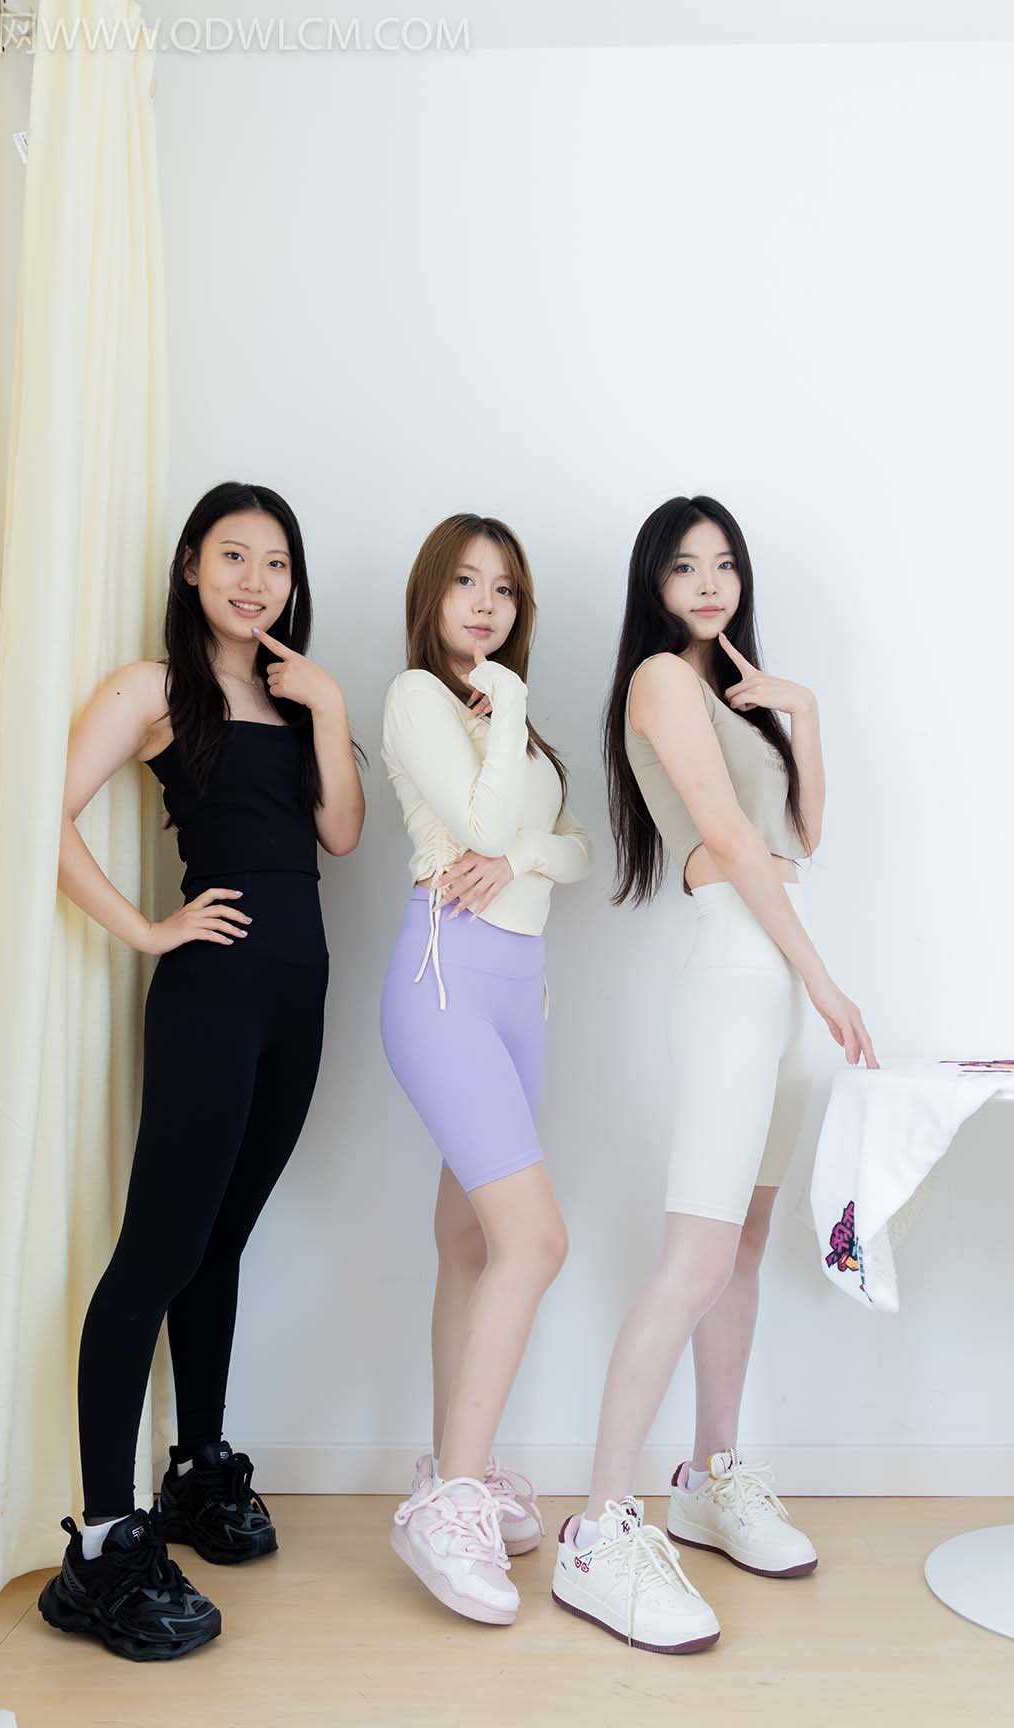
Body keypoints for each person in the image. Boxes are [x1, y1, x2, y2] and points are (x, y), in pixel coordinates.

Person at [38, 481, 364, 1660]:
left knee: (221, 1241)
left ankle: (198, 1468)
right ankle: (102, 1546)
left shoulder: (298, 690)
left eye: (276, 561)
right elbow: (41, 811)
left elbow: (341, 834)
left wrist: (330, 705)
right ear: (190, 565)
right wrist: (145, 927)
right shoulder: (152, 689)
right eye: (233, 555)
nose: (255, 580)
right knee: (155, 1253)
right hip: (213, 997)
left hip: (299, 999)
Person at [552, 494, 877, 1654]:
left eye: (724, 564)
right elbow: (736, 846)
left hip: (777, 977)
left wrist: (804, 711)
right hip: (743, 972)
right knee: (693, 1258)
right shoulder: (658, 680)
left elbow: (803, 834)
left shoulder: (736, 694)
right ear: (655, 581)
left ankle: (710, 1475)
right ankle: (598, 1528)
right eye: (684, 565)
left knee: (741, 1244)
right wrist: (823, 978)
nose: (707, 583)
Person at [380, 513, 592, 1626]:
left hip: (521, 993)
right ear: (434, 593)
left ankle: (447, 1462)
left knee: (472, 1236)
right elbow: (479, 818)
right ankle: (451, 1501)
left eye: (504, 588)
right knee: (535, 1238)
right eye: (465, 582)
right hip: (448, 978)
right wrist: (504, 701)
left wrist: (522, 854)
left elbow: (569, 850)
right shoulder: (421, 697)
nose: (484, 602)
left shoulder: (514, 723)